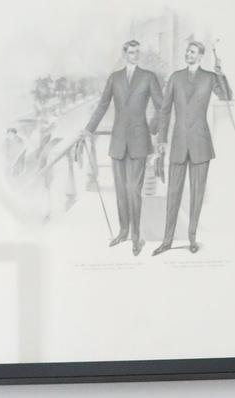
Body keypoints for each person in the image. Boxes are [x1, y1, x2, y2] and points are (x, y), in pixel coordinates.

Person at [77, 39, 163, 255]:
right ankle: (123, 231)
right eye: (131, 52)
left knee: (134, 190)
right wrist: (88, 129)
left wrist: (152, 128)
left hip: (140, 141)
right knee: (121, 191)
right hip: (118, 143)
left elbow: (162, 107)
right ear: (125, 54)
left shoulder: (148, 77)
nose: (135, 55)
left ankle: (136, 236)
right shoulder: (114, 78)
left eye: (137, 52)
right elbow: (102, 105)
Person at [152, 39, 233, 255]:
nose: (188, 53)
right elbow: (164, 110)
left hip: (201, 143)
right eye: (187, 50)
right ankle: (167, 240)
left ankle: (192, 238)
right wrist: (161, 140)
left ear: (200, 56)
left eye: (192, 51)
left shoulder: (209, 77)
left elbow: (226, 95)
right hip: (178, 142)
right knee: (173, 192)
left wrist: (221, 74)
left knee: (197, 193)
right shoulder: (175, 77)